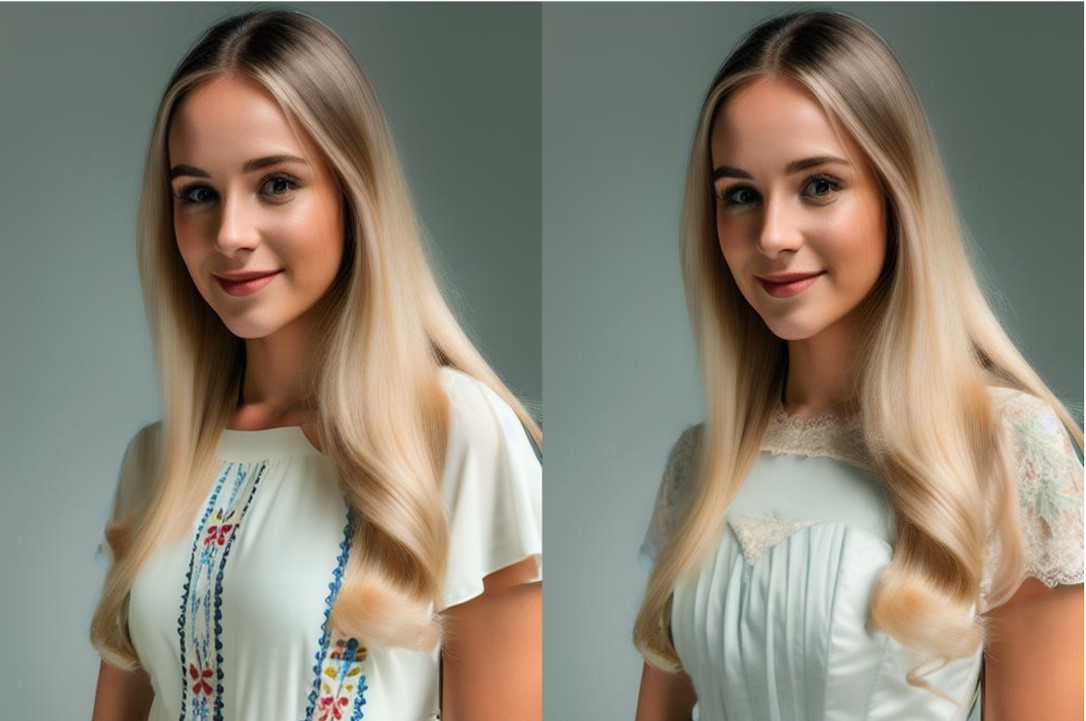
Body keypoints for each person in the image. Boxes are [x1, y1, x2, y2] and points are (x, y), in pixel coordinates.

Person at [89, 10, 541, 721]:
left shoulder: (457, 431)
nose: (230, 234)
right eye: (197, 194)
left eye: (275, 184)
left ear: (352, 193)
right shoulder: (156, 461)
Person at [633, 11, 1082, 721]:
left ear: (894, 196)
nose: (772, 236)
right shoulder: (702, 463)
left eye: (818, 185)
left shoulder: (1009, 446)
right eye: (740, 195)